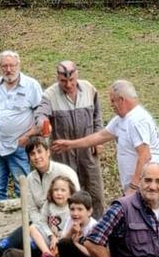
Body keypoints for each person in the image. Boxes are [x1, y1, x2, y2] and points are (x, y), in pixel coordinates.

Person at [52, 79, 159, 197]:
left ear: (121, 100)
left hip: (146, 187)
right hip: (136, 186)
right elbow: (101, 136)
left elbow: (145, 156)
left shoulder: (137, 121)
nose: (111, 105)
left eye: (112, 101)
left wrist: (134, 187)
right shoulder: (122, 119)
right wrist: (70, 144)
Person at [31, 61, 108, 217]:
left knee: (95, 193)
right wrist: (43, 124)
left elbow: (97, 116)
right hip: (63, 154)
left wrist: (99, 139)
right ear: (57, 78)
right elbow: (40, 114)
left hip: (88, 152)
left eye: (71, 80)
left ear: (77, 74)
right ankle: (70, 232)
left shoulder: (89, 89)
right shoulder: (49, 95)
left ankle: (98, 230)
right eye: (63, 81)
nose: (68, 84)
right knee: (68, 194)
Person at [0, 50, 42, 201]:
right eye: (4, 66)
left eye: (12, 65)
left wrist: (27, 137)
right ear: (0, 66)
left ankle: (25, 223)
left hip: (19, 146)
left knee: (22, 188)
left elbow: (41, 117)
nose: (8, 70)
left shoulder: (31, 86)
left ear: (18, 65)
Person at [47, 190, 101, 257]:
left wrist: (76, 243)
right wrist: (71, 232)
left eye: (80, 209)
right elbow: (62, 242)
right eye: (72, 209)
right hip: (76, 256)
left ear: (89, 211)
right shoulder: (71, 220)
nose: (75, 213)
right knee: (64, 243)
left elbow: (92, 254)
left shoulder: (94, 227)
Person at [36, 175, 74, 257]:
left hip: (64, 240)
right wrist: (51, 236)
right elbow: (42, 222)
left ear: (70, 193)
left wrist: (59, 241)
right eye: (56, 190)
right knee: (32, 227)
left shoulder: (71, 208)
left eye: (63, 190)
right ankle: (47, 254)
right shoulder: (49, 204)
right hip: (50, 238)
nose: (59, 193)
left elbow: (72, 228)